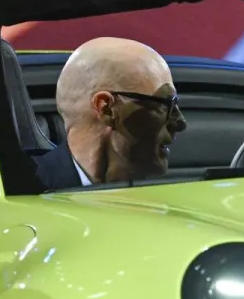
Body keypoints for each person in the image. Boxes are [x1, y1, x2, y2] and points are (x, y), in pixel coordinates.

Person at [35, 37, 186, 189]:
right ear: (106, 108)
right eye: (165, 105)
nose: (180, 122)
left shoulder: (162, 199)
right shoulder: (24, 194)